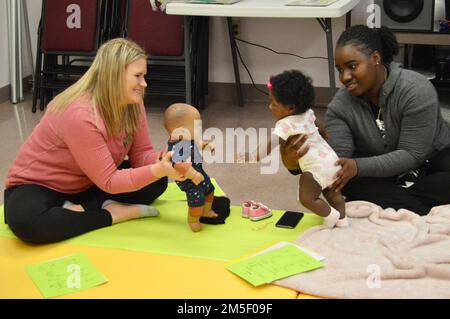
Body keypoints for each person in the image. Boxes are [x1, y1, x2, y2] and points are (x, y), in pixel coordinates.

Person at [3, 38, 187, 243]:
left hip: (88, 182)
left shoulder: (133, 104)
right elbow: (109, 180)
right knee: (26, 221)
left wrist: (165, 159)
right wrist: (157, 169)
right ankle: (111, 214)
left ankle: (80, 209)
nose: (144, 83)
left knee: (157, 180)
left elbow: (141, 155)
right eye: (137, 76)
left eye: (144, 75)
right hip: (41, 186)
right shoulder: (80, 114)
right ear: (114, 76)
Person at [282, 25, 450, 215]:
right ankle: (418, 209)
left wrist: (358, 166)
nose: (344, 77)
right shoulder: (340, 107)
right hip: (383, 173)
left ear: (376, 59)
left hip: (431, 161)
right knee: (346, 181)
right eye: (340, 69)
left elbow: (412, 154)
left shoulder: (415, 89)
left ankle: (405, 205)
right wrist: (297, 163)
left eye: (352, 66)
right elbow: (337, 160)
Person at [251, 70, 348, 227]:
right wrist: (324, 133)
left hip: (315, 168)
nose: (269, 107)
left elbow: (271, 143)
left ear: (290, 108)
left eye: (273, 103)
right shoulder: (308, 113)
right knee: (332, 193)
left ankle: (331, 215)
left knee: (307, 198)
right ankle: (343, 220)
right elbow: (317, 126)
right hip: (331, 159)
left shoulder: (285, 124)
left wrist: (256, 156)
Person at [164, 103, 218, 232]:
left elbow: (198, 144)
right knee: (197, 199)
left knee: (210, 190)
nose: (200, 129)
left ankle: (206, 211)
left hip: (199, 172)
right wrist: (192, 175)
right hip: (188, 179)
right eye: (197, 127)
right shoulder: (177, 147)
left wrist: (207, 146)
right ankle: (193, 220)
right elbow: (178, 164)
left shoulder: (188, 138)